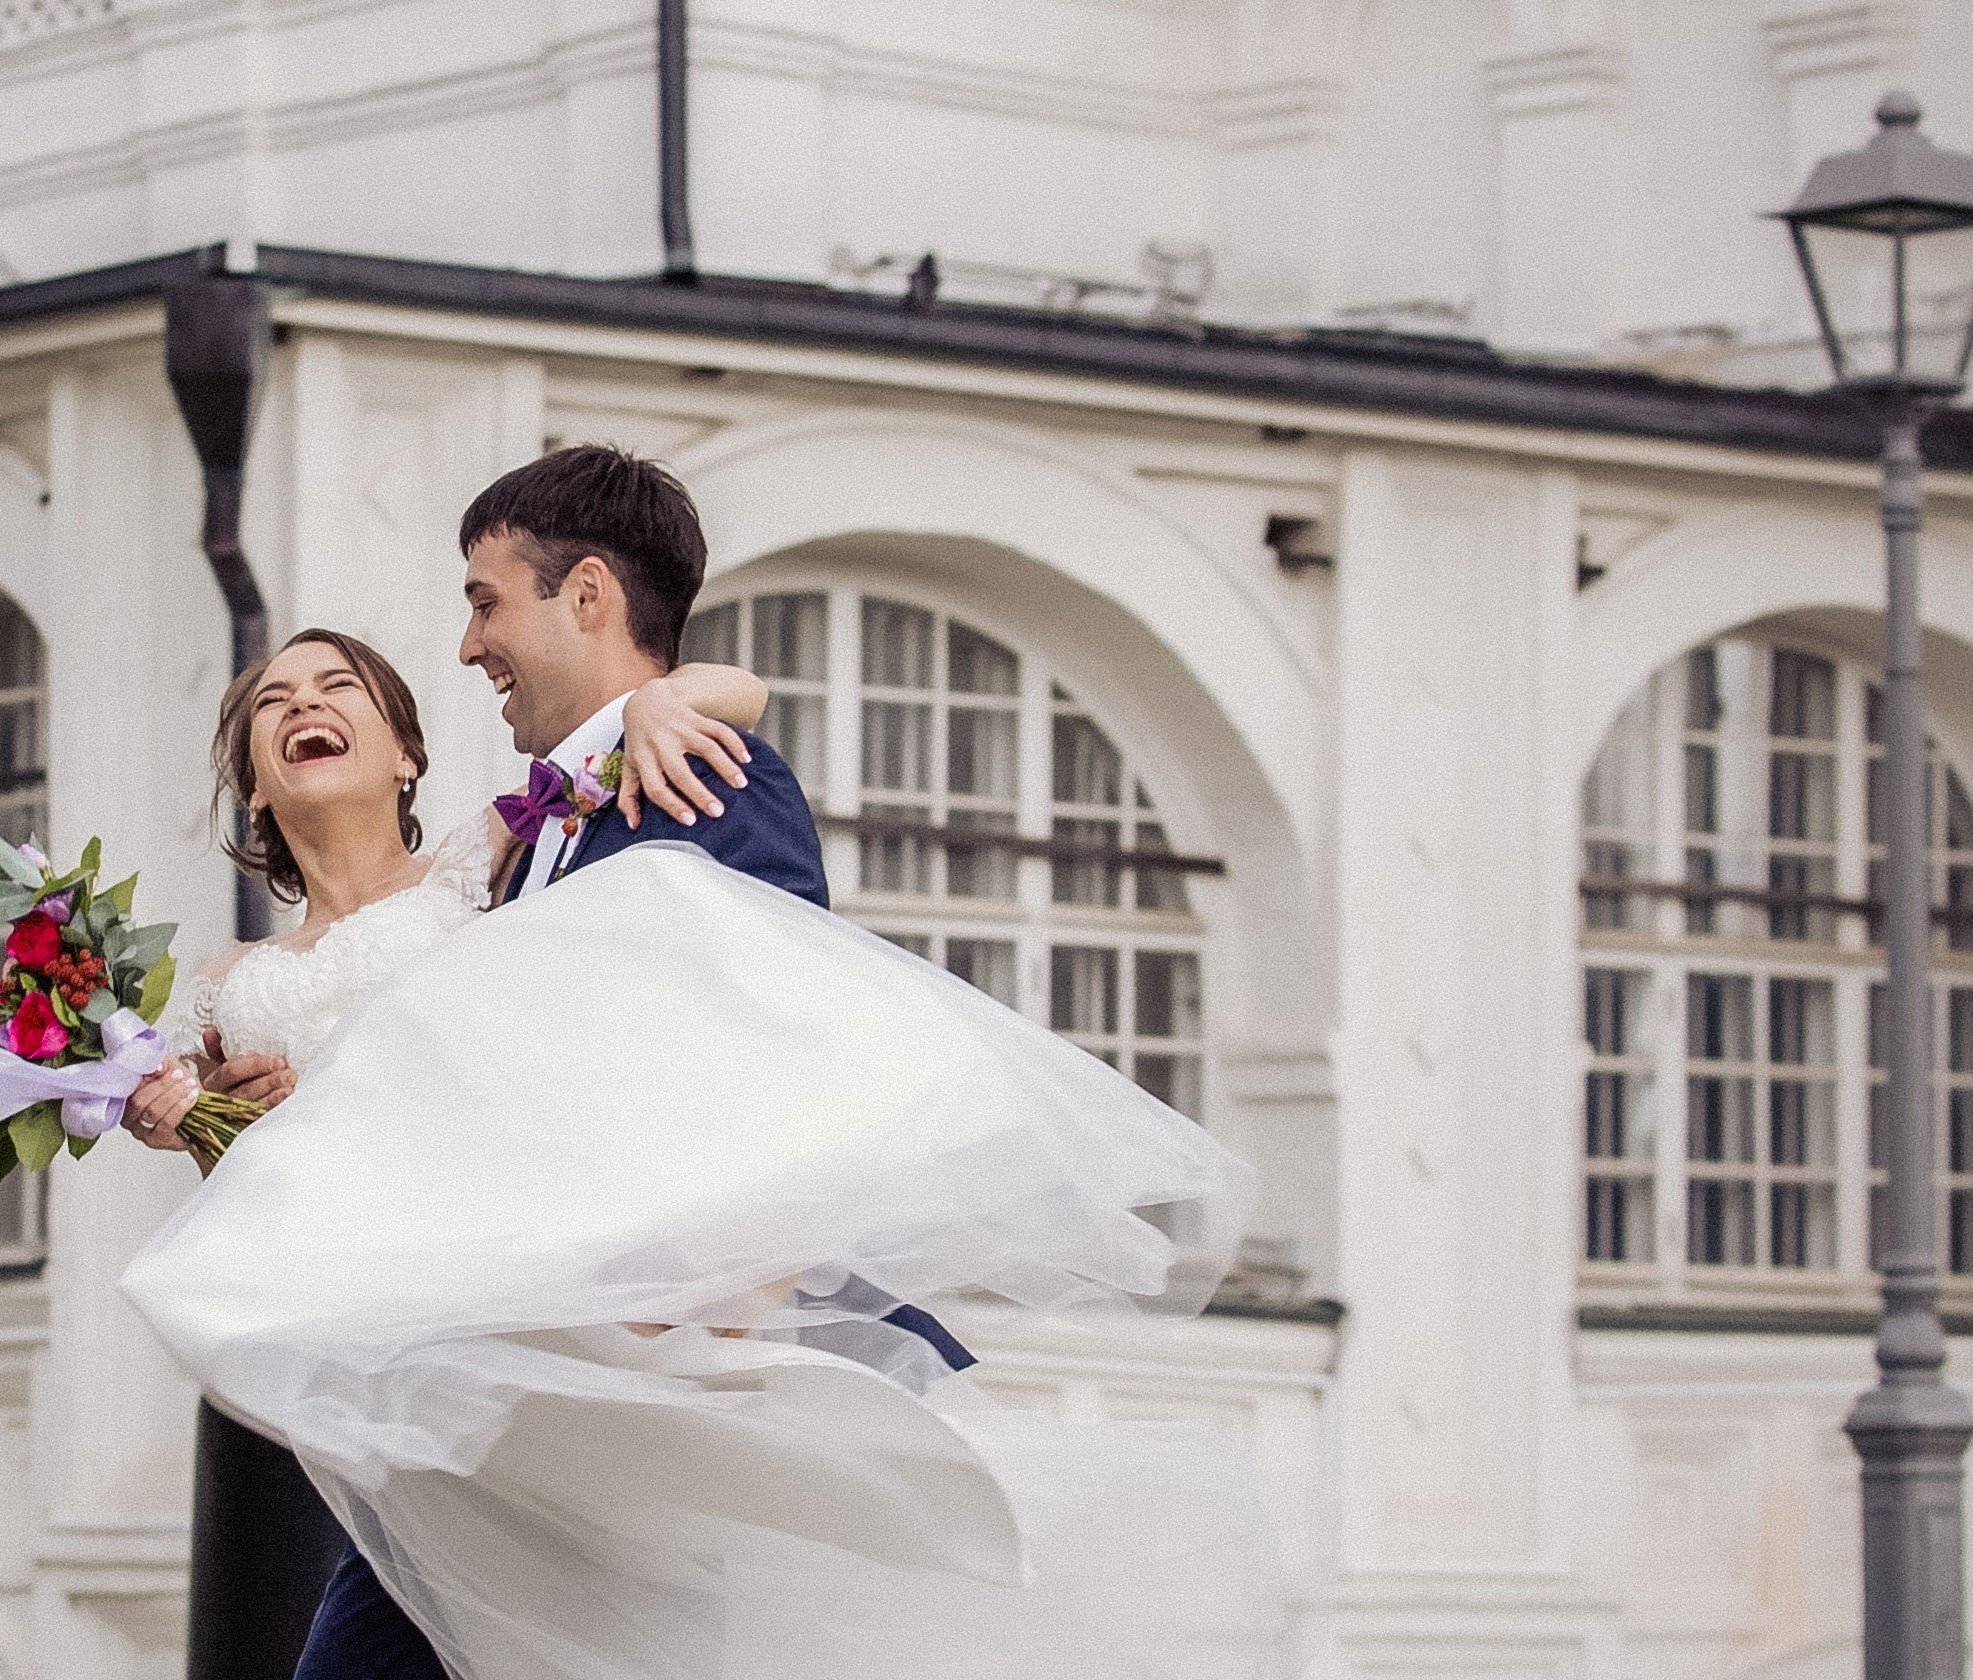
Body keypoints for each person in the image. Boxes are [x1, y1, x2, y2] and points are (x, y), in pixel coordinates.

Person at [121, 448, 1280, 1679]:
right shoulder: (529, 843)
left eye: (483, 600)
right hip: (497, 1402)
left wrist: (706, 1324)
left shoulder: (689, 783)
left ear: (586, 599)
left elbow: (786, 1059)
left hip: (646, 1396)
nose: (467, 647)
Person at [121, 624, 777, 1680]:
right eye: (273, 703)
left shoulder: (485, 863)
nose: (303, 706)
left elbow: (739, 694)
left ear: (405, 757)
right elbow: (265, 1212)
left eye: (337, 688)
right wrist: (197, 1131)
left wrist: (658, 704)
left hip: (544, 1335)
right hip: (405, 1401)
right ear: (252, 783)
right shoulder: (224, 982)